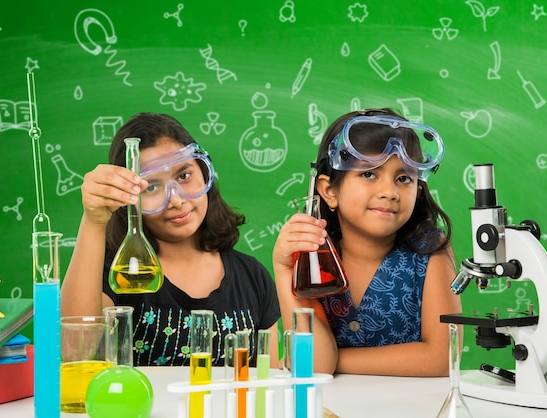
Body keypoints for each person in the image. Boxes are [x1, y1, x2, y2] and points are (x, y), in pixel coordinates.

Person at [61, 112, 280, 367]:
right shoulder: (121, 276)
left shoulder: (253, 276)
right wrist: (93, 220)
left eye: (184, 176)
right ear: (128, 200)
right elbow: (74, 353)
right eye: (151, 187)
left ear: (204, 171)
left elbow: (272, 379)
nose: (176, 200)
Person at [272, 108, 461, 376]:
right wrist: (283, 269)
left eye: (404, 178)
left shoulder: (431, 250)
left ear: (418, 189)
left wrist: (337, 361)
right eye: (369, 174)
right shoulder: (313, 258)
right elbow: (314, 365)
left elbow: (443, 358)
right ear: (329, 191)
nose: (389, 192)